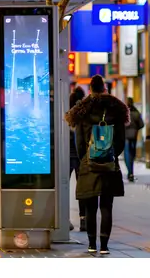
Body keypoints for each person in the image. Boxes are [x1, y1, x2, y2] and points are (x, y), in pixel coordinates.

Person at [65, 75, 129, 254]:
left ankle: (92, 244)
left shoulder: (82, 110)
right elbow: (121, 141)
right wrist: (110, 156)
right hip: (109, 165)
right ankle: (105, 246)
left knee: (90, 206)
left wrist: (86, 158)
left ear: (90, 89)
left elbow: (78, 142)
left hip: (88, 165)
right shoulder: (116, 109)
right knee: (107, 206)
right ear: (104, 89)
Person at [69, 86, 86, 232]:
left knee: (63, 187)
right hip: (81, 157)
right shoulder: (85, 115)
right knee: (82, 189)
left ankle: (64, 219)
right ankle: (83, 219)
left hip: (66, 156)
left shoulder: (67, 115)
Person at [124, 97, 144, 183]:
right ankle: (131, 172)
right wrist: (135, 129)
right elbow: (142, 124)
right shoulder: (136, 113)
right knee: (132, 154)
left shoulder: (124, 113)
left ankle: (130, 173)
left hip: (126, 137)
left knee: (127, 155)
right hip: (134, 136)